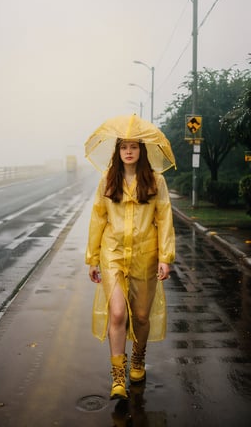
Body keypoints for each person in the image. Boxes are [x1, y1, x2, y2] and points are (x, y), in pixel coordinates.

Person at [85, 138, 175, 400]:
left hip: (144, 255)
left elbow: (164, 217)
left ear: (141, 151)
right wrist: (92, 257)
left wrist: (165, 256)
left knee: (142, 316)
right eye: (123, 147)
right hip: (112, 254)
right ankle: (117, 378)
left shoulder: (156, 181)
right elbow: (98, 217)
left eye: (133, 147)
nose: (128, 152)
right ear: (117, 151)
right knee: (116, 314)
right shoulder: (107, 180)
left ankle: (138, 357)